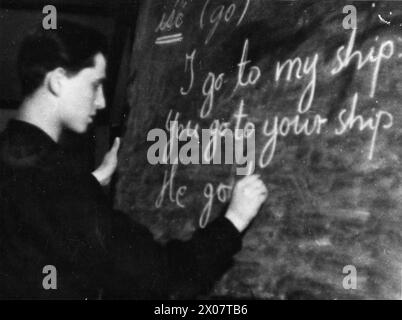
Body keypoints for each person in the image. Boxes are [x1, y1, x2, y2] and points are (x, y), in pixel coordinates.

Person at [0, 20, 268, 299]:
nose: (102, 101)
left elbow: (36, 215)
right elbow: (160, 279)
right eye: (95, 85)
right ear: (57, 81)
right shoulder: (60, 184)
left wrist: (89, 183)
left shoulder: (18, 162)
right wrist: (234, 220)